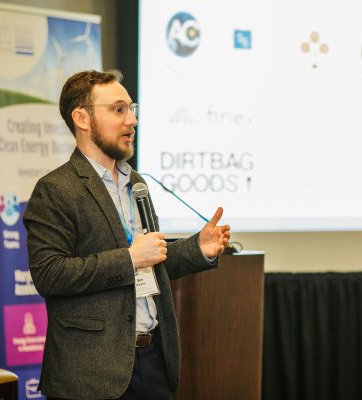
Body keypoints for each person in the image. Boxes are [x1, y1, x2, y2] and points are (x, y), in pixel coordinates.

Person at [23, 69, 230, 400]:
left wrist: (198, 249)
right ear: (82, 118)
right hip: (92, 374)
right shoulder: (55, 190)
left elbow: (152, 261)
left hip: (153, 361)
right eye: (118, 109)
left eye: (132, 108)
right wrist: (130, 258)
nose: (131, 120)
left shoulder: (137, 184)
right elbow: (50, 275)